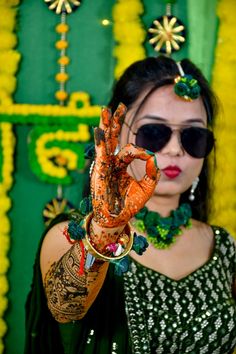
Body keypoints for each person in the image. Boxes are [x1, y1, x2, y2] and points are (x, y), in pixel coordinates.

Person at [24, 55, 236, 354]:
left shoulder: (224, 247)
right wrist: (106, 228)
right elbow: (64, 309)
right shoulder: (69, 236)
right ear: (117, 133)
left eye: (193, 136)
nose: (175, 149)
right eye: (154, 132)